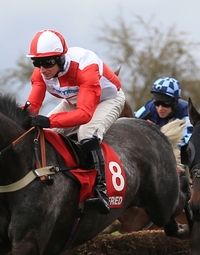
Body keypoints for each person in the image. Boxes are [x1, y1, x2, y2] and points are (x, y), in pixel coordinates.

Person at [24, 29, 126, 214]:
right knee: (42, 136)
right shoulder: (41, 73)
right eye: (37, 63)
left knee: (86, 135)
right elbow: (32, 107)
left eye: (47, 62)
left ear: (61, 58)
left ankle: (101, 192)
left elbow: (85, 114)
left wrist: (49, 120)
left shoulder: (85, 65)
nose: (42, 69)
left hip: (107, 99)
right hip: (76, 100)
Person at [134, 77, 193, 161]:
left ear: (175, 102)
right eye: (157, 103)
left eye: (165, 103)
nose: (160, 108)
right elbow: (131, 120)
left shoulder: (185, 110)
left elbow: (188, 139)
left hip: (176, 155)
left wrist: (159, 131)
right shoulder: (150, 106)